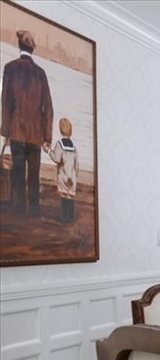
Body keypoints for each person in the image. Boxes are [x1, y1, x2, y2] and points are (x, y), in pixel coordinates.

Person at [0, 29, 54, 216]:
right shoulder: (41, 73)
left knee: (18, 171)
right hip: (36, 134)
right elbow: (48, 107)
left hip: (16, 131)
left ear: (19, 46)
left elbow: (5, 102)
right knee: (34, 175)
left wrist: (5, 132)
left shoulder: (10, 68)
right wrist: (47, 136)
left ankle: (21, 211)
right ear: (32, 49)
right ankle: (35, 210)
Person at [47, 117, 78, 223]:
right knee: (71, 196)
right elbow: (76, 163)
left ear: (60, 130)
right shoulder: (73, 147)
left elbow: (56, 158)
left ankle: (64, 217)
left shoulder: (59, 144)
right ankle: (70, 217)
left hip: (63, 174)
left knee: (64, 195)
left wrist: (48, 151)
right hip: (72, 176)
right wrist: (75, 175)